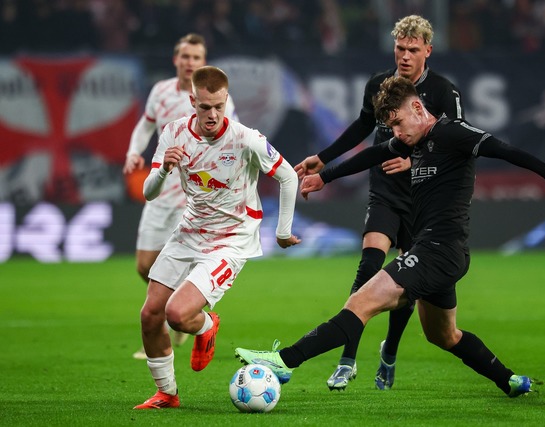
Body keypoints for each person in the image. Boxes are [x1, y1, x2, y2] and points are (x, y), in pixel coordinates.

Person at [235, 75, 545, 398]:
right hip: (437, 252)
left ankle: (283, 362)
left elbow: (502, 149)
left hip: (439, 250)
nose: (396, 133)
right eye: (391, 127)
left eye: (398, 123)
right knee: (444, 335)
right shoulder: (413, 140)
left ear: (417, 107)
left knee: (359, 303)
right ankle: (508, 380)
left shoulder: (452, 133)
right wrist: (326, 176)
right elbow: (372, 153)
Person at [294, 15, 464, 391]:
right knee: (369, 263)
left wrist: (415, 159)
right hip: (385, 188)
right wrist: (324, 158)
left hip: (422, 195)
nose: (404, 56)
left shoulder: (444, 92)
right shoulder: (380, 85)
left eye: (412, 50)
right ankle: (347, 359)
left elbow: (457, 149)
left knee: (406, 281)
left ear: (427, 52)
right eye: (400, 48)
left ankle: (389, 352)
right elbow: (362, 125)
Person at [134, 66, 300, 409]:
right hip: (190, 230)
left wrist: (282, 231)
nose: (212, 115)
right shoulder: (173, 133)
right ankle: (167, 393)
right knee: (150, 314)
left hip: (231, 239)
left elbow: (287, 176)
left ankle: (206, 324)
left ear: (227, 100)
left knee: (177, 314)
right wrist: (164, 168)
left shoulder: (245, 138)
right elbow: (149, 193)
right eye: (205, 106)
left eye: (218, 107)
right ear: (192, 100)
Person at [123, 33, 238, 359]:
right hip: (161, 191)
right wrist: (134, 152)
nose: (190, 63)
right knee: (145, 266)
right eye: (185, 56)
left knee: (171, 271)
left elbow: (235, 139)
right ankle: (180, 318)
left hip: (195, 198)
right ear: (176, 59)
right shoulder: (159, 91)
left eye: (197, 57)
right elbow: (145, 126)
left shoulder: (215, 98)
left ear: (204, 63)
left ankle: (172, 329)